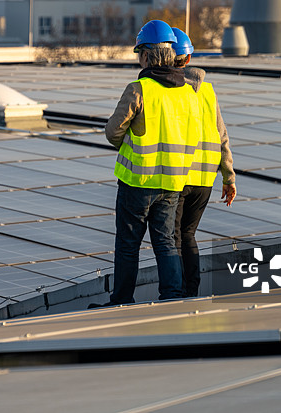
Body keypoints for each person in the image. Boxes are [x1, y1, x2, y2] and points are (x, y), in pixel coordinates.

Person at [94, 20, 203, 306]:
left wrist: (128, 144)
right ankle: (172, 298)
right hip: (172, 183)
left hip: (137, 183)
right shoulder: (189, 93)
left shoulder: (139, 89)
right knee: (166, 242)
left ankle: (122, 300)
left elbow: (112, 131)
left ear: (146, 55)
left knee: (128, 246)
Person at [171, 27, 236, 297]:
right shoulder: (207, 91)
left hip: (179, 176)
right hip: (205, 181)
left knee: (172, 238)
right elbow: (222, 135)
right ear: (188, 58)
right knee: (188, 235)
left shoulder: (171, 90)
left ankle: (177, 291)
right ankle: (192, 291)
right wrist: (229, 177)